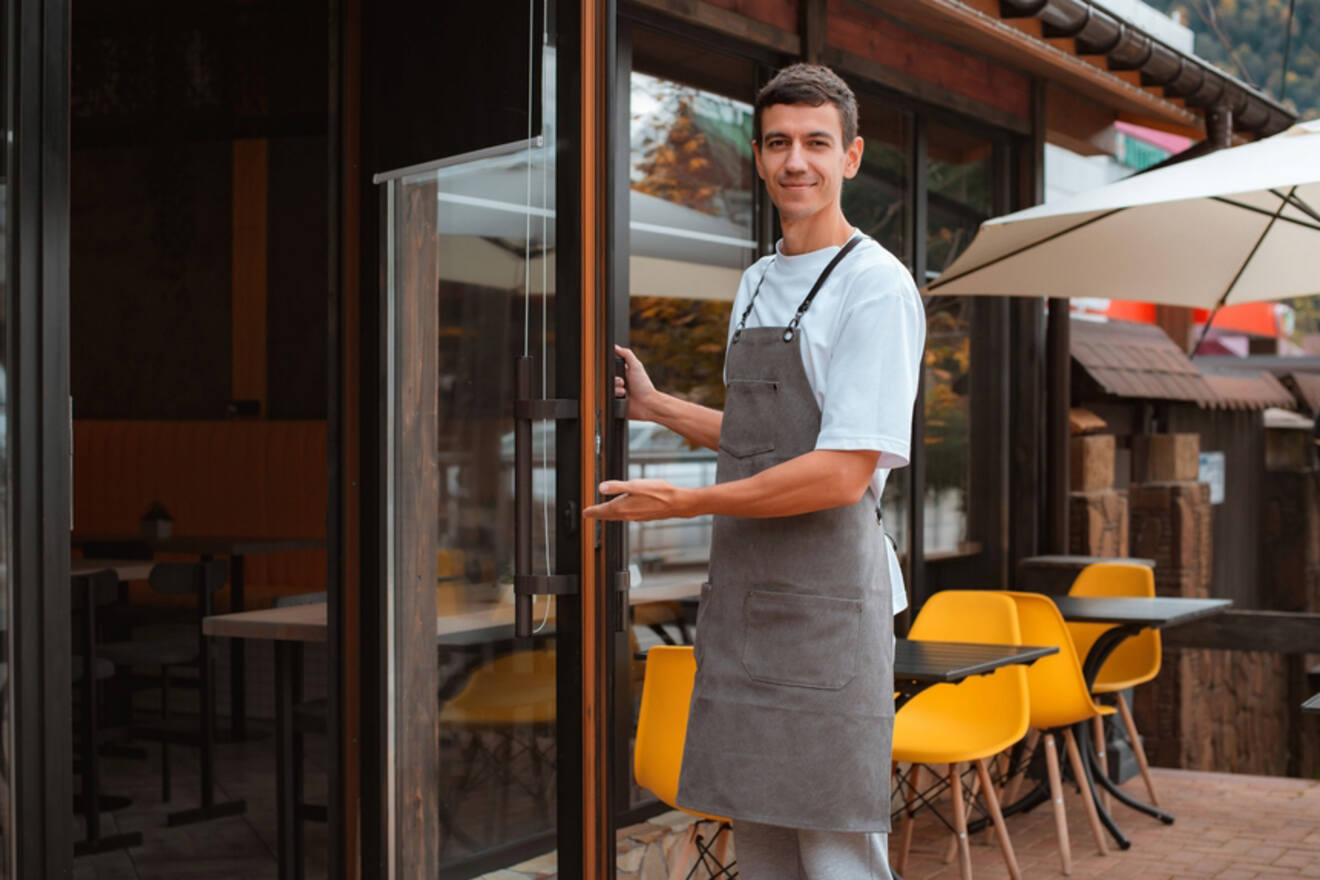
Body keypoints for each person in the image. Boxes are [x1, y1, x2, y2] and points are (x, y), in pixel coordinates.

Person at [584, 63, 925, 880]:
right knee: (763, 843)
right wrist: (663, 409)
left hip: (827, 608)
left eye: (816, 142)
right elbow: (764, 441)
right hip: (748, 598)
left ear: (851, 157)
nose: (795, 162)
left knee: (836, 844)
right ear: (761, 158)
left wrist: (681, 501)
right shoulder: (758, 279)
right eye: (778, 143)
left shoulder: (876, 287)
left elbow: (842, 472)